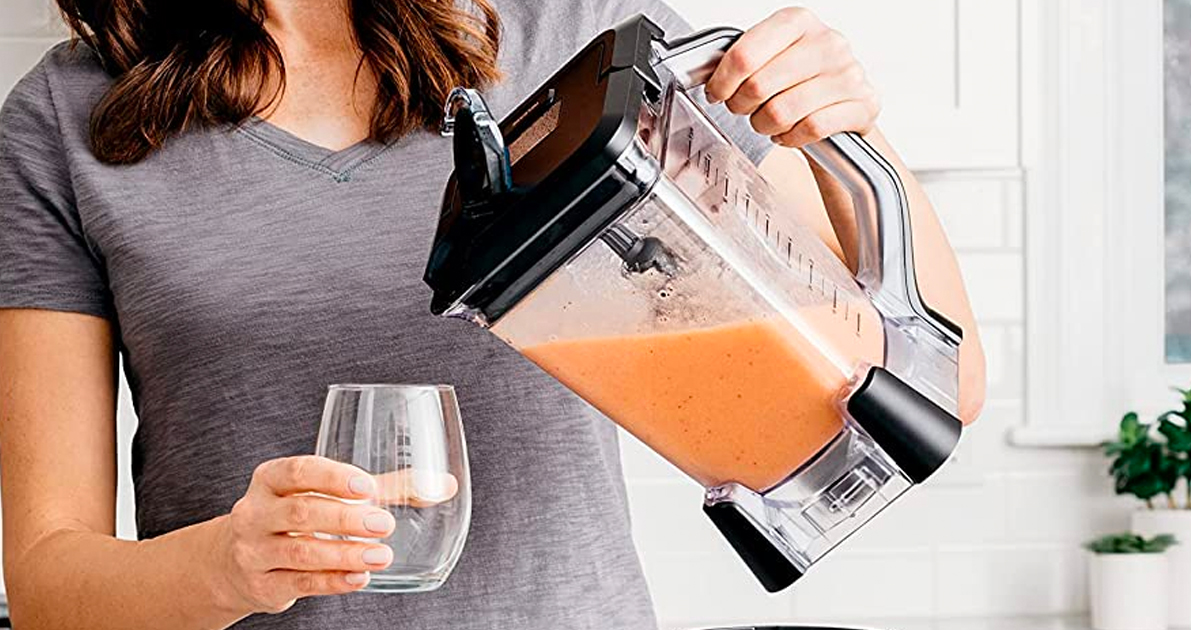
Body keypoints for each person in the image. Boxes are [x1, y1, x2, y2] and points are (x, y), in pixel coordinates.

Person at [0, 0, 985, 628]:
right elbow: (49, 580)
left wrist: (844, 135)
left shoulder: (582, 38)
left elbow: (935, 388)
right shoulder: (68, 120)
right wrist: (230, 565)